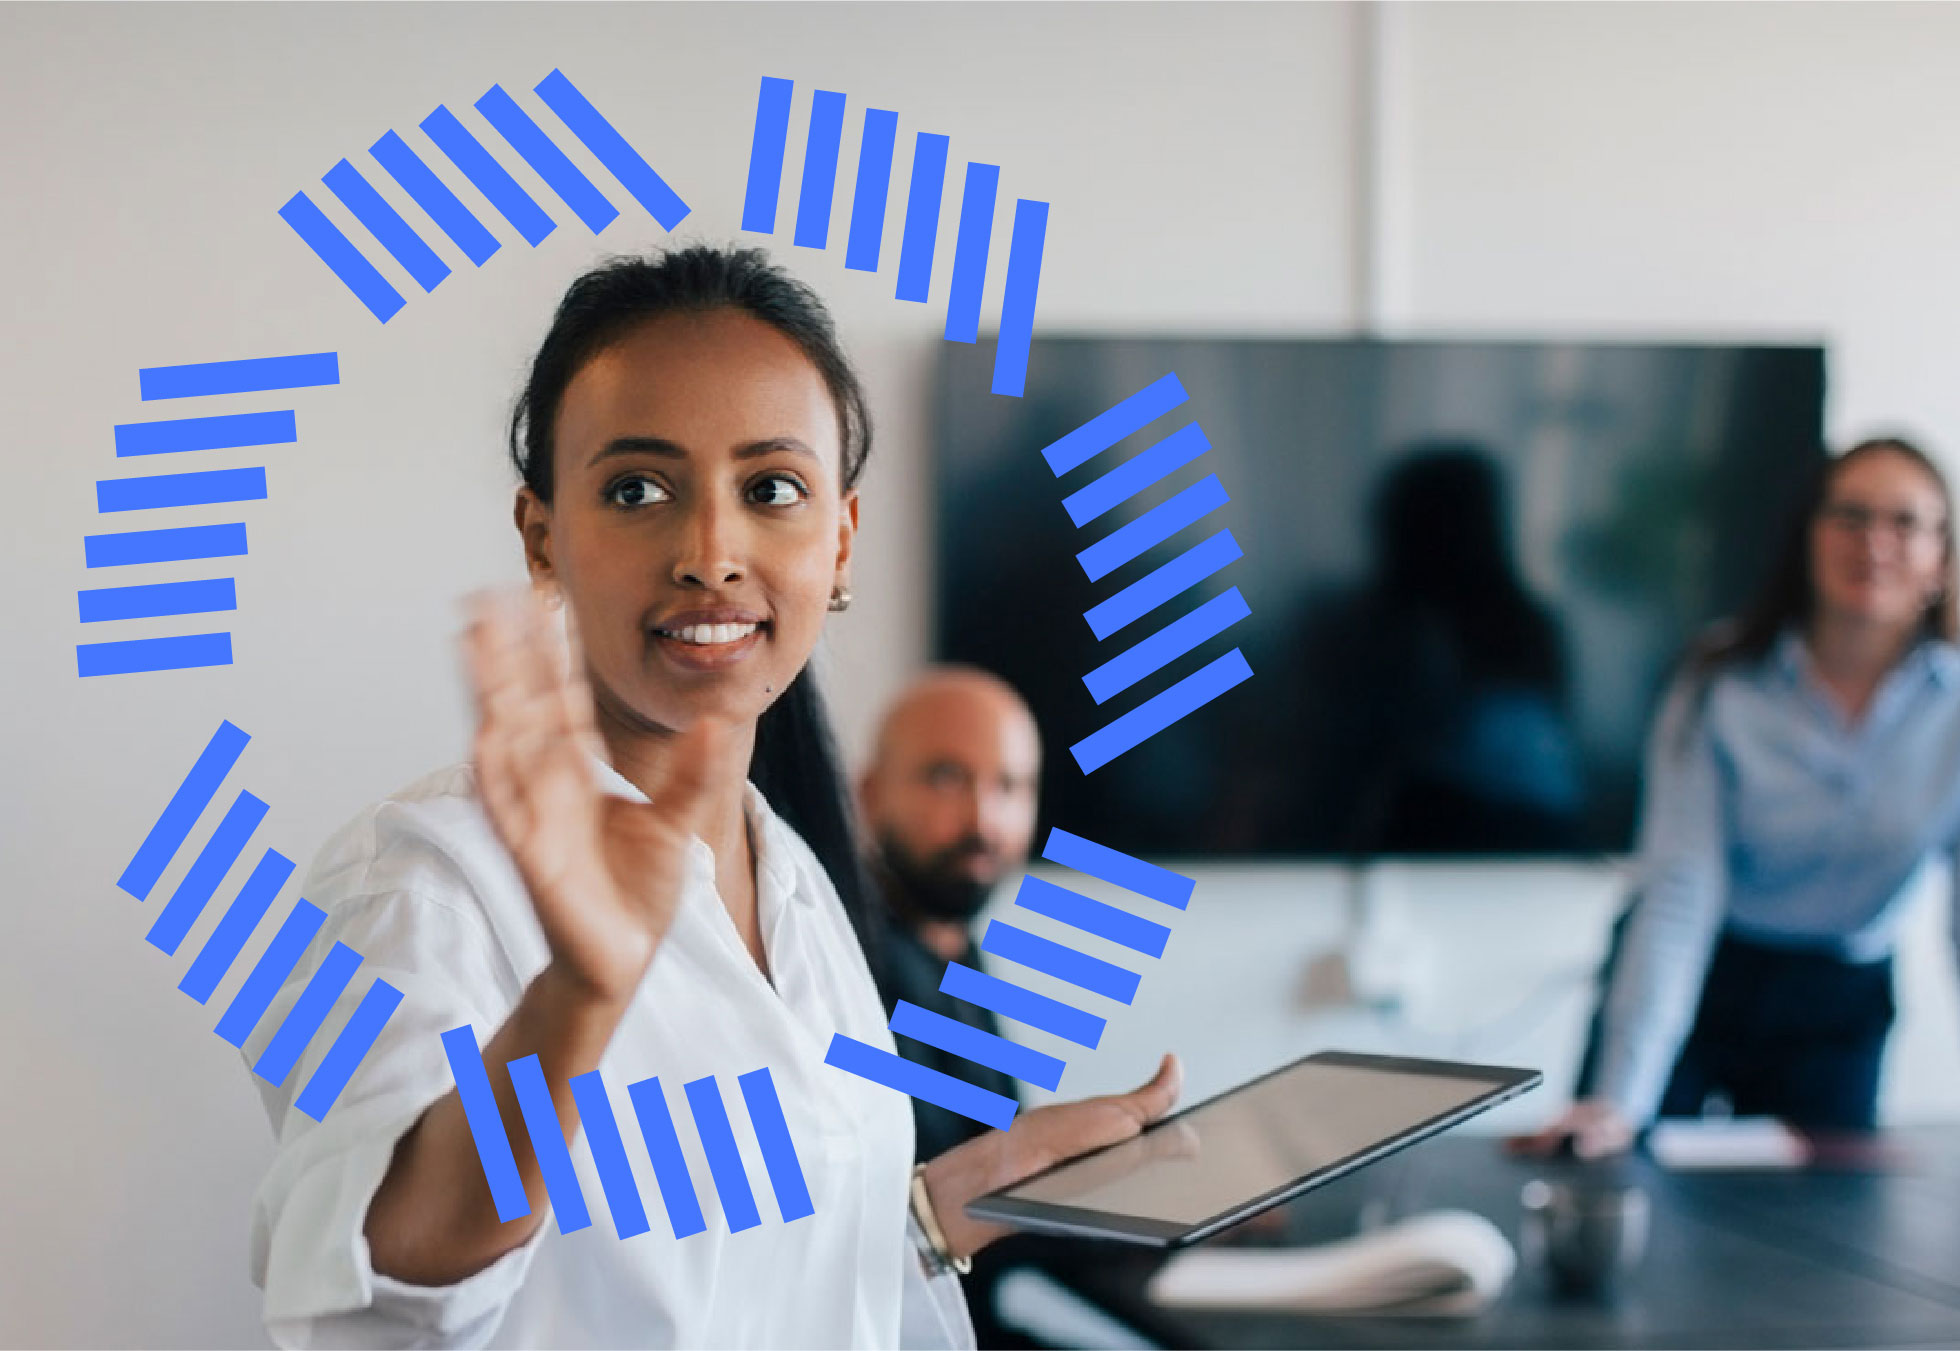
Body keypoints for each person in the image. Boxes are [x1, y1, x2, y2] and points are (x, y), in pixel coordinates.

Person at [241, 244, 1181, 1349]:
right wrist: (578, 998)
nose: (710, 551)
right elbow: (385, 1266)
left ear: (838, 541)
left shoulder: (790, 872)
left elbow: (771, 1280)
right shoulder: (418, 881)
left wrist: (966, 1194)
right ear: (543, 537)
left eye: (771, 489)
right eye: (637, 489)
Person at [1516, 437, 1960, 1159]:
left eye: (1905, 522)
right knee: (1618, 1169)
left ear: (1941, 555)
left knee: (1828, 1234)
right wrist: (1621, 1102)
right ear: (1809, 536)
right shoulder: (1720, 681)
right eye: (1850, 516)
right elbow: (1680, 891)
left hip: (1838, 996)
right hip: (1705, 969)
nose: (1874, 542)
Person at [858, 668, 1184, 1351]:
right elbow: (953, 1206)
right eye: (946, 777)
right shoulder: (853, 973)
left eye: (1008, 786)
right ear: (869, 795)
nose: (982, 820)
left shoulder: (955, 948)